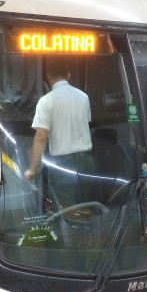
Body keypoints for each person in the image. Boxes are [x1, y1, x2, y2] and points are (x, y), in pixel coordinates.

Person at [24, 57, 94, 208]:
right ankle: (87, 231)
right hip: (87, 162)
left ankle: (71, 232)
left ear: (48, 76)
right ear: (68, 75)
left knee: (66, 211)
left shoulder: (46, 101)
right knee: (86, 207)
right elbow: (84, 124)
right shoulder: (84, 97)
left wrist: (33, 168)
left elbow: (42, 136)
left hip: (64, 165)